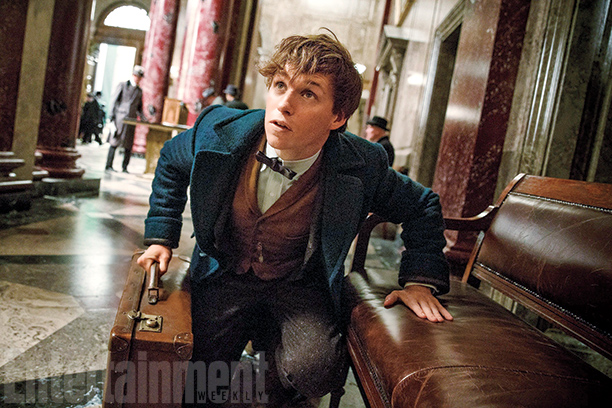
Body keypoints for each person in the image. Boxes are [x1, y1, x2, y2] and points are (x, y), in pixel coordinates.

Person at [137, 32, 451, 407]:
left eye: (308, 94)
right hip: (224, 273)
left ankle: (266, 382)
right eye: (280, 85)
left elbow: (422, 204)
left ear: (337, 116)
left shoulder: (362, 163)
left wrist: (419, 281)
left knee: (317, 368)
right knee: (194, 371)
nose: (284, 104)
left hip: (299, 284)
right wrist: (161, 237)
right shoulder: (218, 130)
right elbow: (171, 162)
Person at [105, 65, 147, 173]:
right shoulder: (123, 85)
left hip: (131, 121)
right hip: (120, 119)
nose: (138, 79)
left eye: (140, 77)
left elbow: (139, 108)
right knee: (114, 142)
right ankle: (108, 165)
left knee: (128, 144)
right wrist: (111, 117)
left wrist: (144, 119)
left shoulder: (139, 91)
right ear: (133, 75)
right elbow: (114, 101)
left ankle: (125, 167)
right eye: (137, 76)